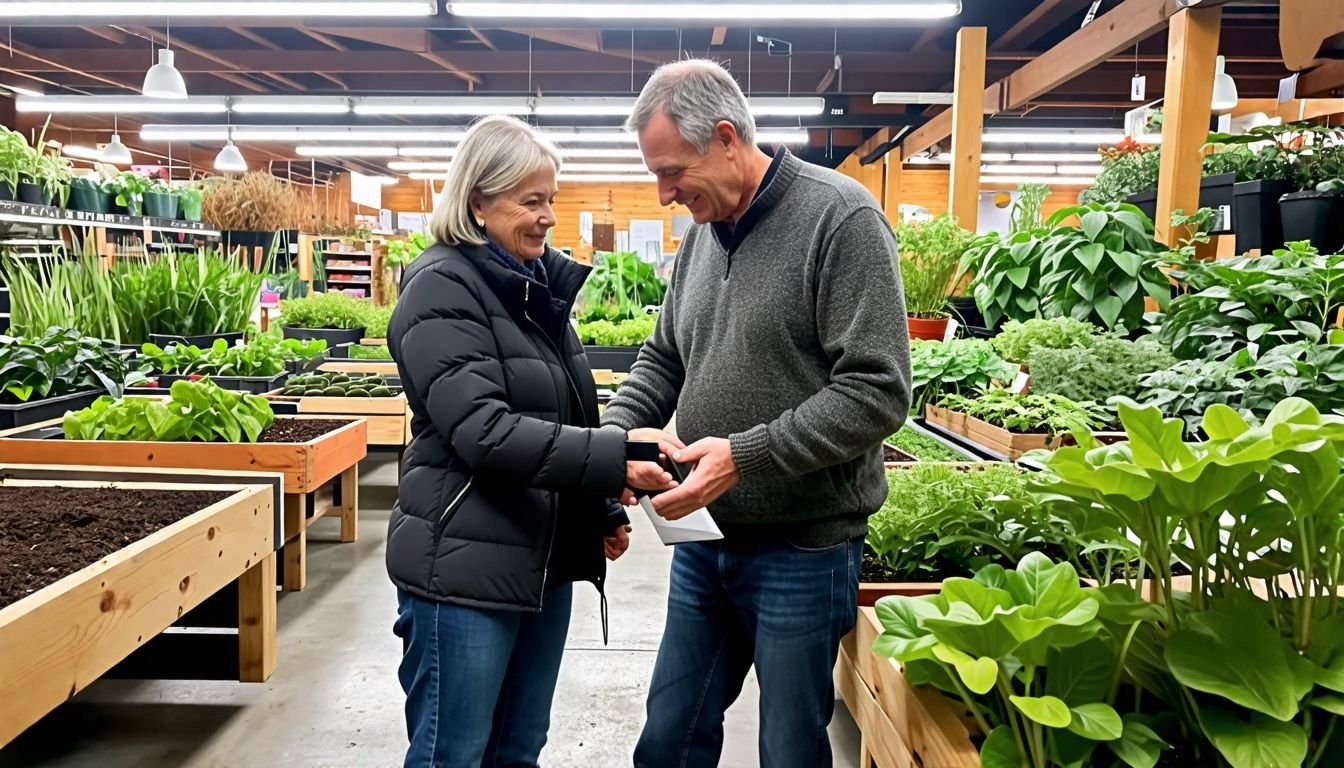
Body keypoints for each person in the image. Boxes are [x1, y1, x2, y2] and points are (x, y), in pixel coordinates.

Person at [601, 60, 912, 767]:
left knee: (789, 750)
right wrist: (612, 442)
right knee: (668, 738)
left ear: (725, 137)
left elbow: (878, 389)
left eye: (673, 170)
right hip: (705, 542)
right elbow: (663, 360)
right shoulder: (700, 240)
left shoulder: (842, 219)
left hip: (804, 548)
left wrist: (743, 457)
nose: (663, 192)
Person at [385, 114, 679, 768]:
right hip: (460, 565)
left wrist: (598, 506)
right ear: (477, 203)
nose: (549, 217)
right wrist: (618, 460)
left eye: (552, 199)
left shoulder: (531, 288)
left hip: (540, 562)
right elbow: (483, 433)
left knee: (519, 748)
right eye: (531, 201)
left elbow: (572, 411)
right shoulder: (440, 285)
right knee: (451, 753)